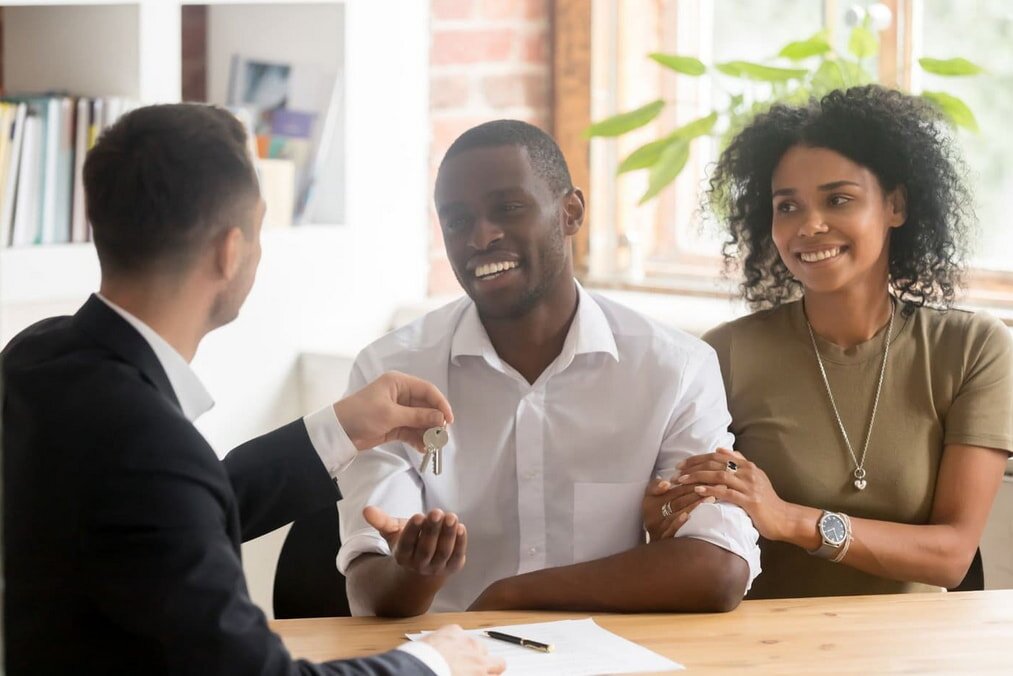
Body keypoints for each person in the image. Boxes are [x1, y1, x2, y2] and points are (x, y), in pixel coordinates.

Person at [2, 103, 504, 675]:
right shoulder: (150, 451)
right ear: (230, 250)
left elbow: (163, 514)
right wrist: (432, 664)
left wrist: (339, 429)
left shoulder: (36, 358)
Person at [336, 120, 761, 617]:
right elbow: (368, 589)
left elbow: (719, 568)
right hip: (451, 660)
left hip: (614, 659)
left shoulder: (673, 368)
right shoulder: (392, 373)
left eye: (507, 209)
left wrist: (512, 593)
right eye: (456, 220)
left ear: (571, 212)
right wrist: (414, 573)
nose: (480, 237)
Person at [645, 85, 1012, 598]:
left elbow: (951, 557)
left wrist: (791, 520)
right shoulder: (727, 354)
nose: (809, 225)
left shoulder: (972, 349)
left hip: (916, 654)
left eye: (838, 199)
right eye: (787, 206)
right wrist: (662, 513)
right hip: (765, 649)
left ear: (896, 206)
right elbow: (685, 524)